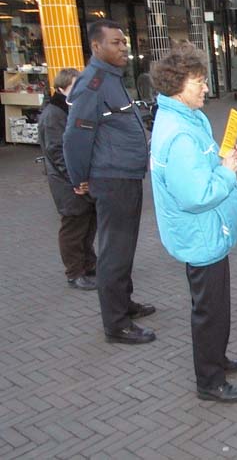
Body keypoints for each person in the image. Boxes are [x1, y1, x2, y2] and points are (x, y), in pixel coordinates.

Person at [149, 42, 237, 403]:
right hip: (200, 233)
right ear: (178, 85)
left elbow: (199, 169)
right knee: (209, 310)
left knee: (214, 306)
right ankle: (209, 380)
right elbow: (196, 195)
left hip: (208, 232)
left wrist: (222, 158)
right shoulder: (179, 133)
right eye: (199, 82)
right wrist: (227, 172)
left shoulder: (187, 118)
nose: (206, 88)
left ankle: (215, 360)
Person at [63, 19, 156, 344]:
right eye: (115, 42)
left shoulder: (112, 80)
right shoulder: (94, 82)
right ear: (96, 47)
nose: (123, 47)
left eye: (124, 42)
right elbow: (75, 136)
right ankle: (116, 324)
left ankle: (124, 303)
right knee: (114, 250)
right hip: (111, 179)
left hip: (126, 177)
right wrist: (80, 178)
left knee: (124, 246)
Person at [38, 68, 97, 291]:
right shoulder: (54, 114)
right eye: (75, 86)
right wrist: (76, 179)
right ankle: (74, 272)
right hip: (67, 183)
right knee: (74, 227)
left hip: (79, 179)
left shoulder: (72, 109)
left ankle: (89, 264)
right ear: (62, 88)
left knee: (88, 224)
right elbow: (57, 152)